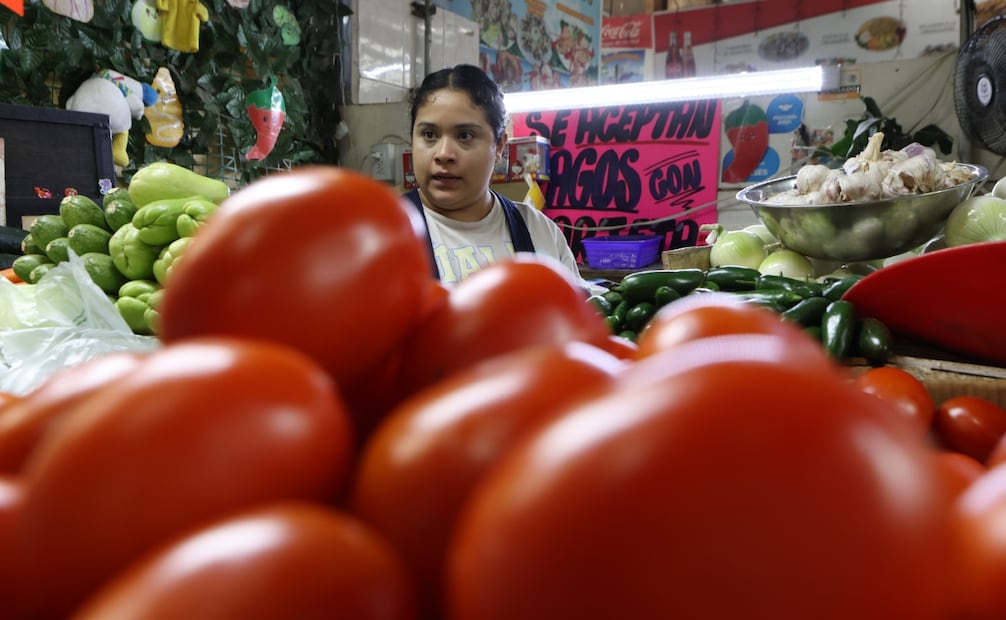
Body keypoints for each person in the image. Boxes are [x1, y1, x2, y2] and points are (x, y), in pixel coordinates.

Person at [404, 63, 589, 289]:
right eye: (429, 134)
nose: (444, 154)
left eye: (465, 135)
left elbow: (574, 315)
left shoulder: (539, 231)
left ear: (499, 146)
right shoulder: (384, 233)